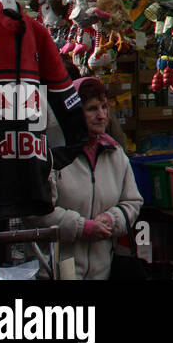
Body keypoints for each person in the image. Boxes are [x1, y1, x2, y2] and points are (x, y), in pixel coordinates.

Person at [35, 77, 143, 280]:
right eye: (92, 109)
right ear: (74, 113)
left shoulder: (115, 154)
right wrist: (81, 227)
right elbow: (38, 212)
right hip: (57, 271)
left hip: (104, 270)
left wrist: (113, 219)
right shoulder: (53, 157)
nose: (101, 115)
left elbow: (133, 202)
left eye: (104, 107)